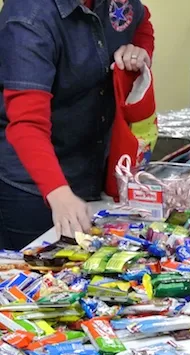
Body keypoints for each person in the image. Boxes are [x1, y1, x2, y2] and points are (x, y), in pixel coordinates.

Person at [0, 0, 155, 250]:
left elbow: (141, 20)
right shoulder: (27, 16)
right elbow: (26, 123)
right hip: (32, 186)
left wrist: (139, 50)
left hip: (92, 169)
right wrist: (59, 193)